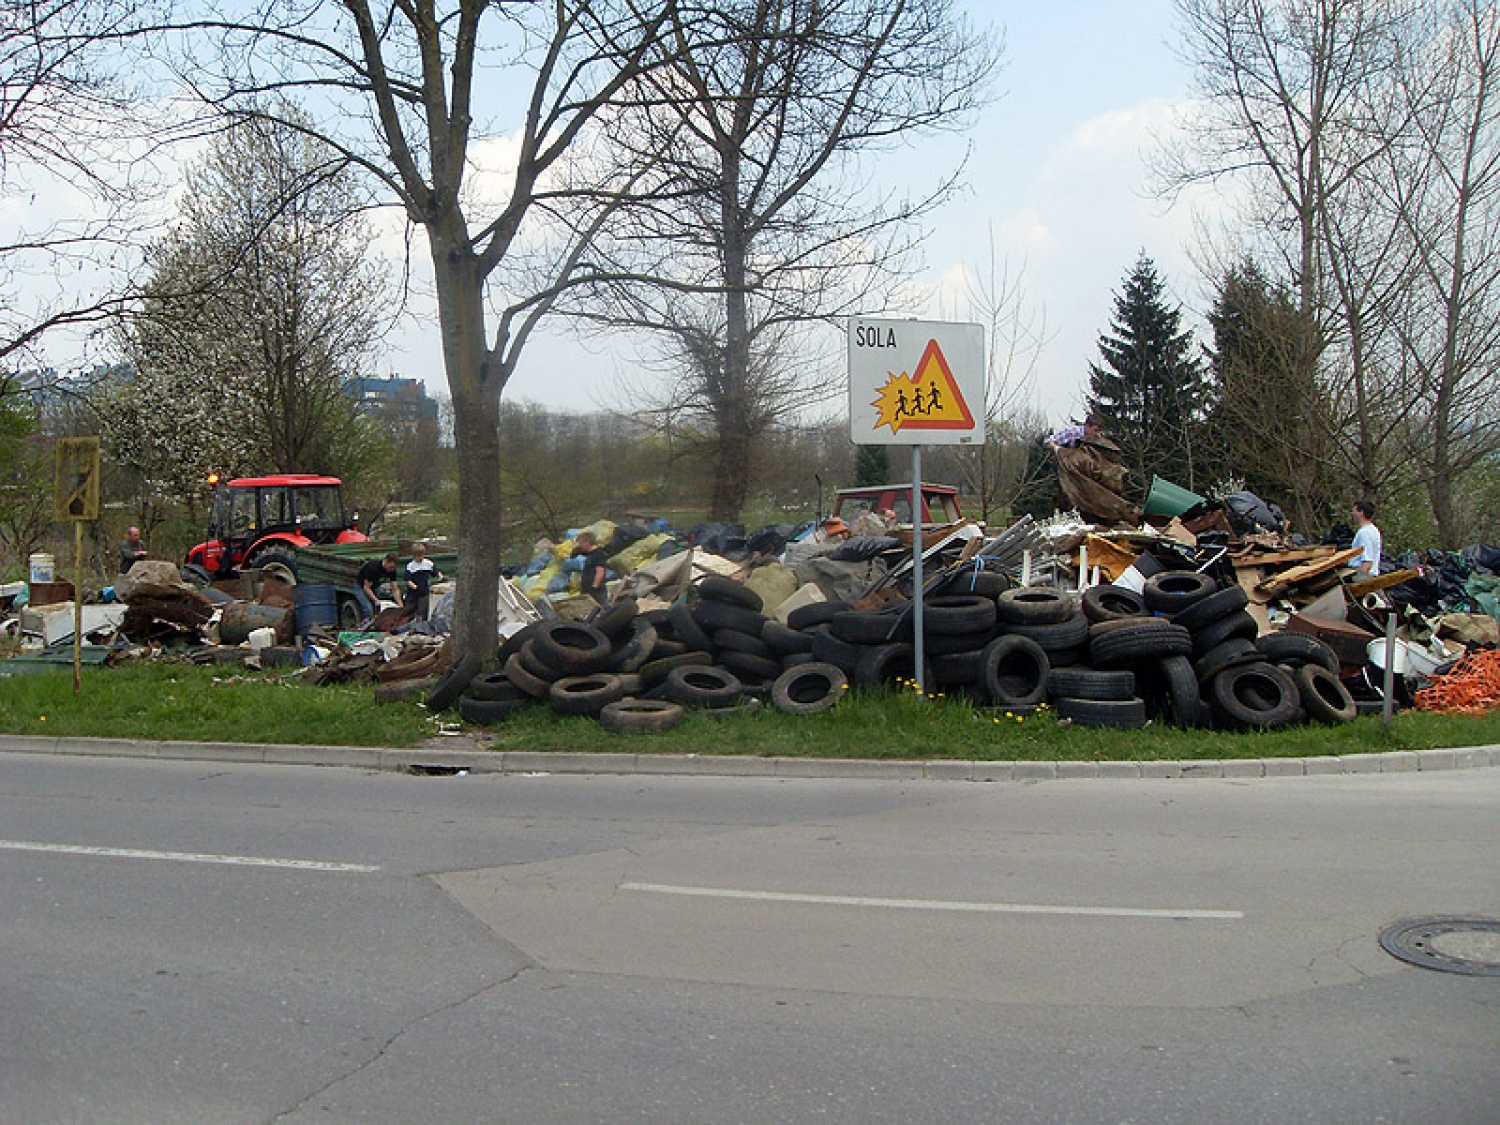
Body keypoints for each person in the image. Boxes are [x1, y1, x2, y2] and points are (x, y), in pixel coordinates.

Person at [355, 552, 403, 620]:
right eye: (391, 567)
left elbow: (395, 589)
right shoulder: (373, 568)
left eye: (394, 568)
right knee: (368, 609)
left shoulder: (392, 570)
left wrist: (400, 604)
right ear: (386, 561)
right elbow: (366, 587)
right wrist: (377, 601)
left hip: (374, 587)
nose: (392, 569)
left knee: (378, 610)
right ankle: (366, 624)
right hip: (361, 587)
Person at [403, 542, 442, 621]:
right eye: (418, 556)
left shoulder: (428, 564)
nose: (420, 557)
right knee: (411, 612)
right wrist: (415, 587)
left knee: (423, 612)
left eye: (422, 555)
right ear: (414, 556)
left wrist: (440, 576)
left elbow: (436, 572)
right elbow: (408, 581)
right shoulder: (411, 566)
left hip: (424, 593)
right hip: (413, 594)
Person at [572, 531, 610, 604]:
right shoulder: (589, 554)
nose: (580, 546)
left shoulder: (598, 554)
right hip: (587, 590)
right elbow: (574, 556)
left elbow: (600, 571)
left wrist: (594, 586)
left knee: (598, 610)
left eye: (581, 543)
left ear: (587, 542)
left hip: (596, 592)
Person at [1351, 500, 1382, 576]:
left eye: (1354, 511)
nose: (1353, 514)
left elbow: (1367, 561)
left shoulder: (1364, 533)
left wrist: (1359, 579)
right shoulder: (1374, 530)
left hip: (1365, 575)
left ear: (1361, 512)